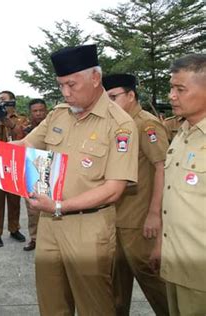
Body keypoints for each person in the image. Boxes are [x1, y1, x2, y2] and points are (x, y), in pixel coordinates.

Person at [0, 44, 139, 315]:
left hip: (89, 228)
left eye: (72, 85)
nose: (65, 93)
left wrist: (60, 206)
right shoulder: (59, 113)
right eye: (61, 85)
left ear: (95, 78)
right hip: (50, 225)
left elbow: (114, 189)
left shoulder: (119, 124)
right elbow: (27, 144)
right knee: (52, 304)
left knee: (94, 307)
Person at [103, 74, 169, 315]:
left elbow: (162, 167)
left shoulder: (146, 124)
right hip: (116, 218)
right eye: (106, 98)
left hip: (140, 221)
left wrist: (155, 214)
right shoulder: (116, 124)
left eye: (114, 97)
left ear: (131, 95)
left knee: (153, 281)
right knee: (115, 286)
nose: (109, 103)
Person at [150, 53, 206, 316]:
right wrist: (162, 245)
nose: (171, 96)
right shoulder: (183, 134)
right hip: (176, 267)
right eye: (171, 88)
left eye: (180, 89)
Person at [0, 90, 26, 247]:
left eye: (4, 100)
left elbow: (22, 135)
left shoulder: (20, 118)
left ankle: (14, 229)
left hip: (14, 163)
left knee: (14, 200)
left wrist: (9, 122)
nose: (0, 102)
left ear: (12, 103)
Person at [22, 98, 48, 251]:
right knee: (32, 209)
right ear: (31, 113)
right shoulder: (25, 131)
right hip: (31, 171)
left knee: (52, 209)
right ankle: (34, 238)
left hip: (50, 171)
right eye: (35, 111)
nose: (38, 114)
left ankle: (50, 240)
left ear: (46, 111)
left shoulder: (55, 127)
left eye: (41, 110)